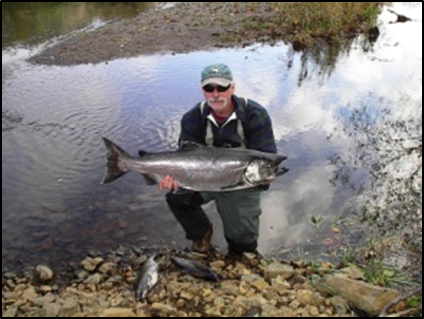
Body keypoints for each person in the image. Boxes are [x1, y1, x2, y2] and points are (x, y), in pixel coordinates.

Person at [159, 63, 278, 255]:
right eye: (209, 88)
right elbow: (185, 156)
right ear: (203, 90)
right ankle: (201, 235)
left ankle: (240, 255)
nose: (215, 94)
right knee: (177, 198)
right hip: (201, 180)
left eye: (221, 87)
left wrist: (265, 178)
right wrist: (175, 180)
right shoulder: (192, 118)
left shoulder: (255, 114)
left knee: (243, 246)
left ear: (232, 87)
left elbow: (268, 155)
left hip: (243, 184)